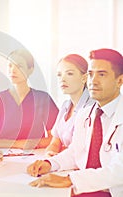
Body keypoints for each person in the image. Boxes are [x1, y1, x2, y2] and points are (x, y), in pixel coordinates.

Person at [27, 48, 123, 197]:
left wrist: (70, 179)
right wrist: (50, 164)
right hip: (87, 188)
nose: (93, 81)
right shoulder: (85, 114)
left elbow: (119, 170)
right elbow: (75, 152)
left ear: (120, 81)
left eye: (102, 74)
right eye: (91, 74)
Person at [0, 48, 59, 149]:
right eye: (10, 65)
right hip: (5, 159)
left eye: (19, 66)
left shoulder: (44, 99)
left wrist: (33, 144)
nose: (13, 70)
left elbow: (55, 139)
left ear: (30, 70)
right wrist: (18, 144)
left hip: (36, 156)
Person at [45, 54, 95, 156]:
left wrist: (59, 157)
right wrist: (50, 153)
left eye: (69, 74)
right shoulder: (65, 106)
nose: (62, 79)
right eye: (59, 75)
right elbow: (55, 142)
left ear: (84, 78)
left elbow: (84, 150)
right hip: (63, 163)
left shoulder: (93, 107)